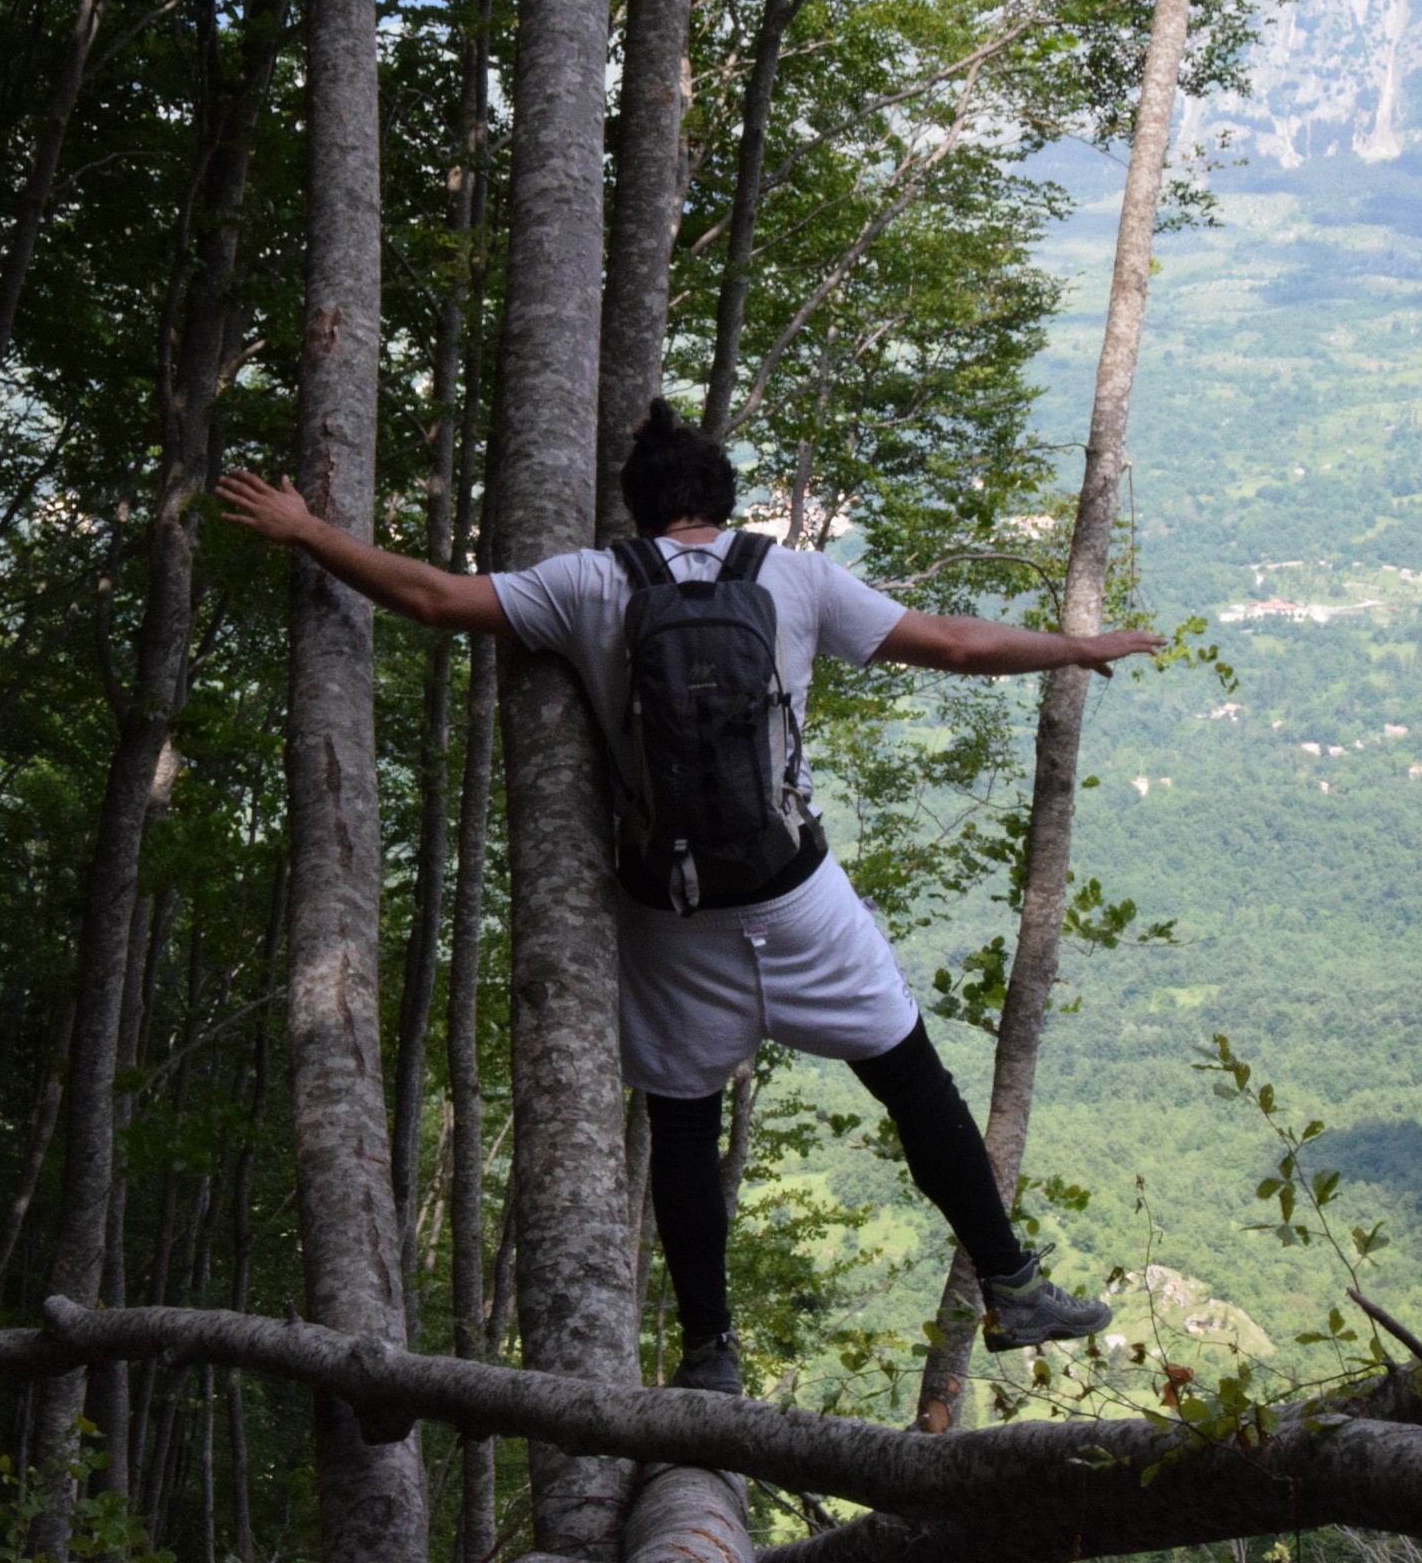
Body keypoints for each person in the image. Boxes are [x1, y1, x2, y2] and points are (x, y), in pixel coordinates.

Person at [218, 400, 1160, 1394]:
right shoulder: (792, 576)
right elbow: (956, 644)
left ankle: (709, 1350)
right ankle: (1013, 1285)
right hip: (797, 900)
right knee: (913, 1081)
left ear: (638, 513)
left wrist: (309, 529)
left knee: (682, 1125)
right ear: (723, 503)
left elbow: (439, 601)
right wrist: (1074, 649)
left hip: (668, 915)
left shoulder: (588, 583)